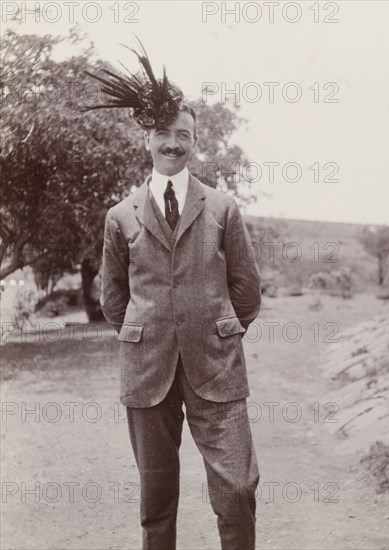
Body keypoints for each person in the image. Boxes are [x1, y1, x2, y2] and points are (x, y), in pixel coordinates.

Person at [85, 39, 261, 550]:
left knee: (237, 487)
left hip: (217, 365)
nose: (173, 143)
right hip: (147, 370)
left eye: (183, 135)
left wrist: (217, 328)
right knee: (156, 496)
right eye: (164, 134)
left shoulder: (223, 208)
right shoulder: (120, 216)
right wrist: (147, 332)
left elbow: (247, 292)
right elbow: (112, 298)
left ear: (194, 142)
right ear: (148, 140)